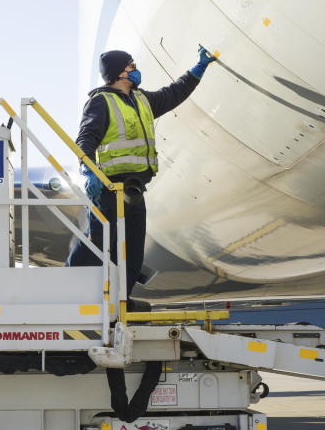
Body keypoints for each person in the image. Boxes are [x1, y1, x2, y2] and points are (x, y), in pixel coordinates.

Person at [67, 46, 217, 306]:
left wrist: (197, 70)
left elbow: (173, 94)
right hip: (109, 189)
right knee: (99, 242)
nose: (135, 70)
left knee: (133, 252)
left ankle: (120, 302)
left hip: (134, 190)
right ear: (118, 74)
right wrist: (89, 171)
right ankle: (66, 287)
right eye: (131, 66)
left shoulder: (142, 100)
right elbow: (85, 140)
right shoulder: (101, 102)